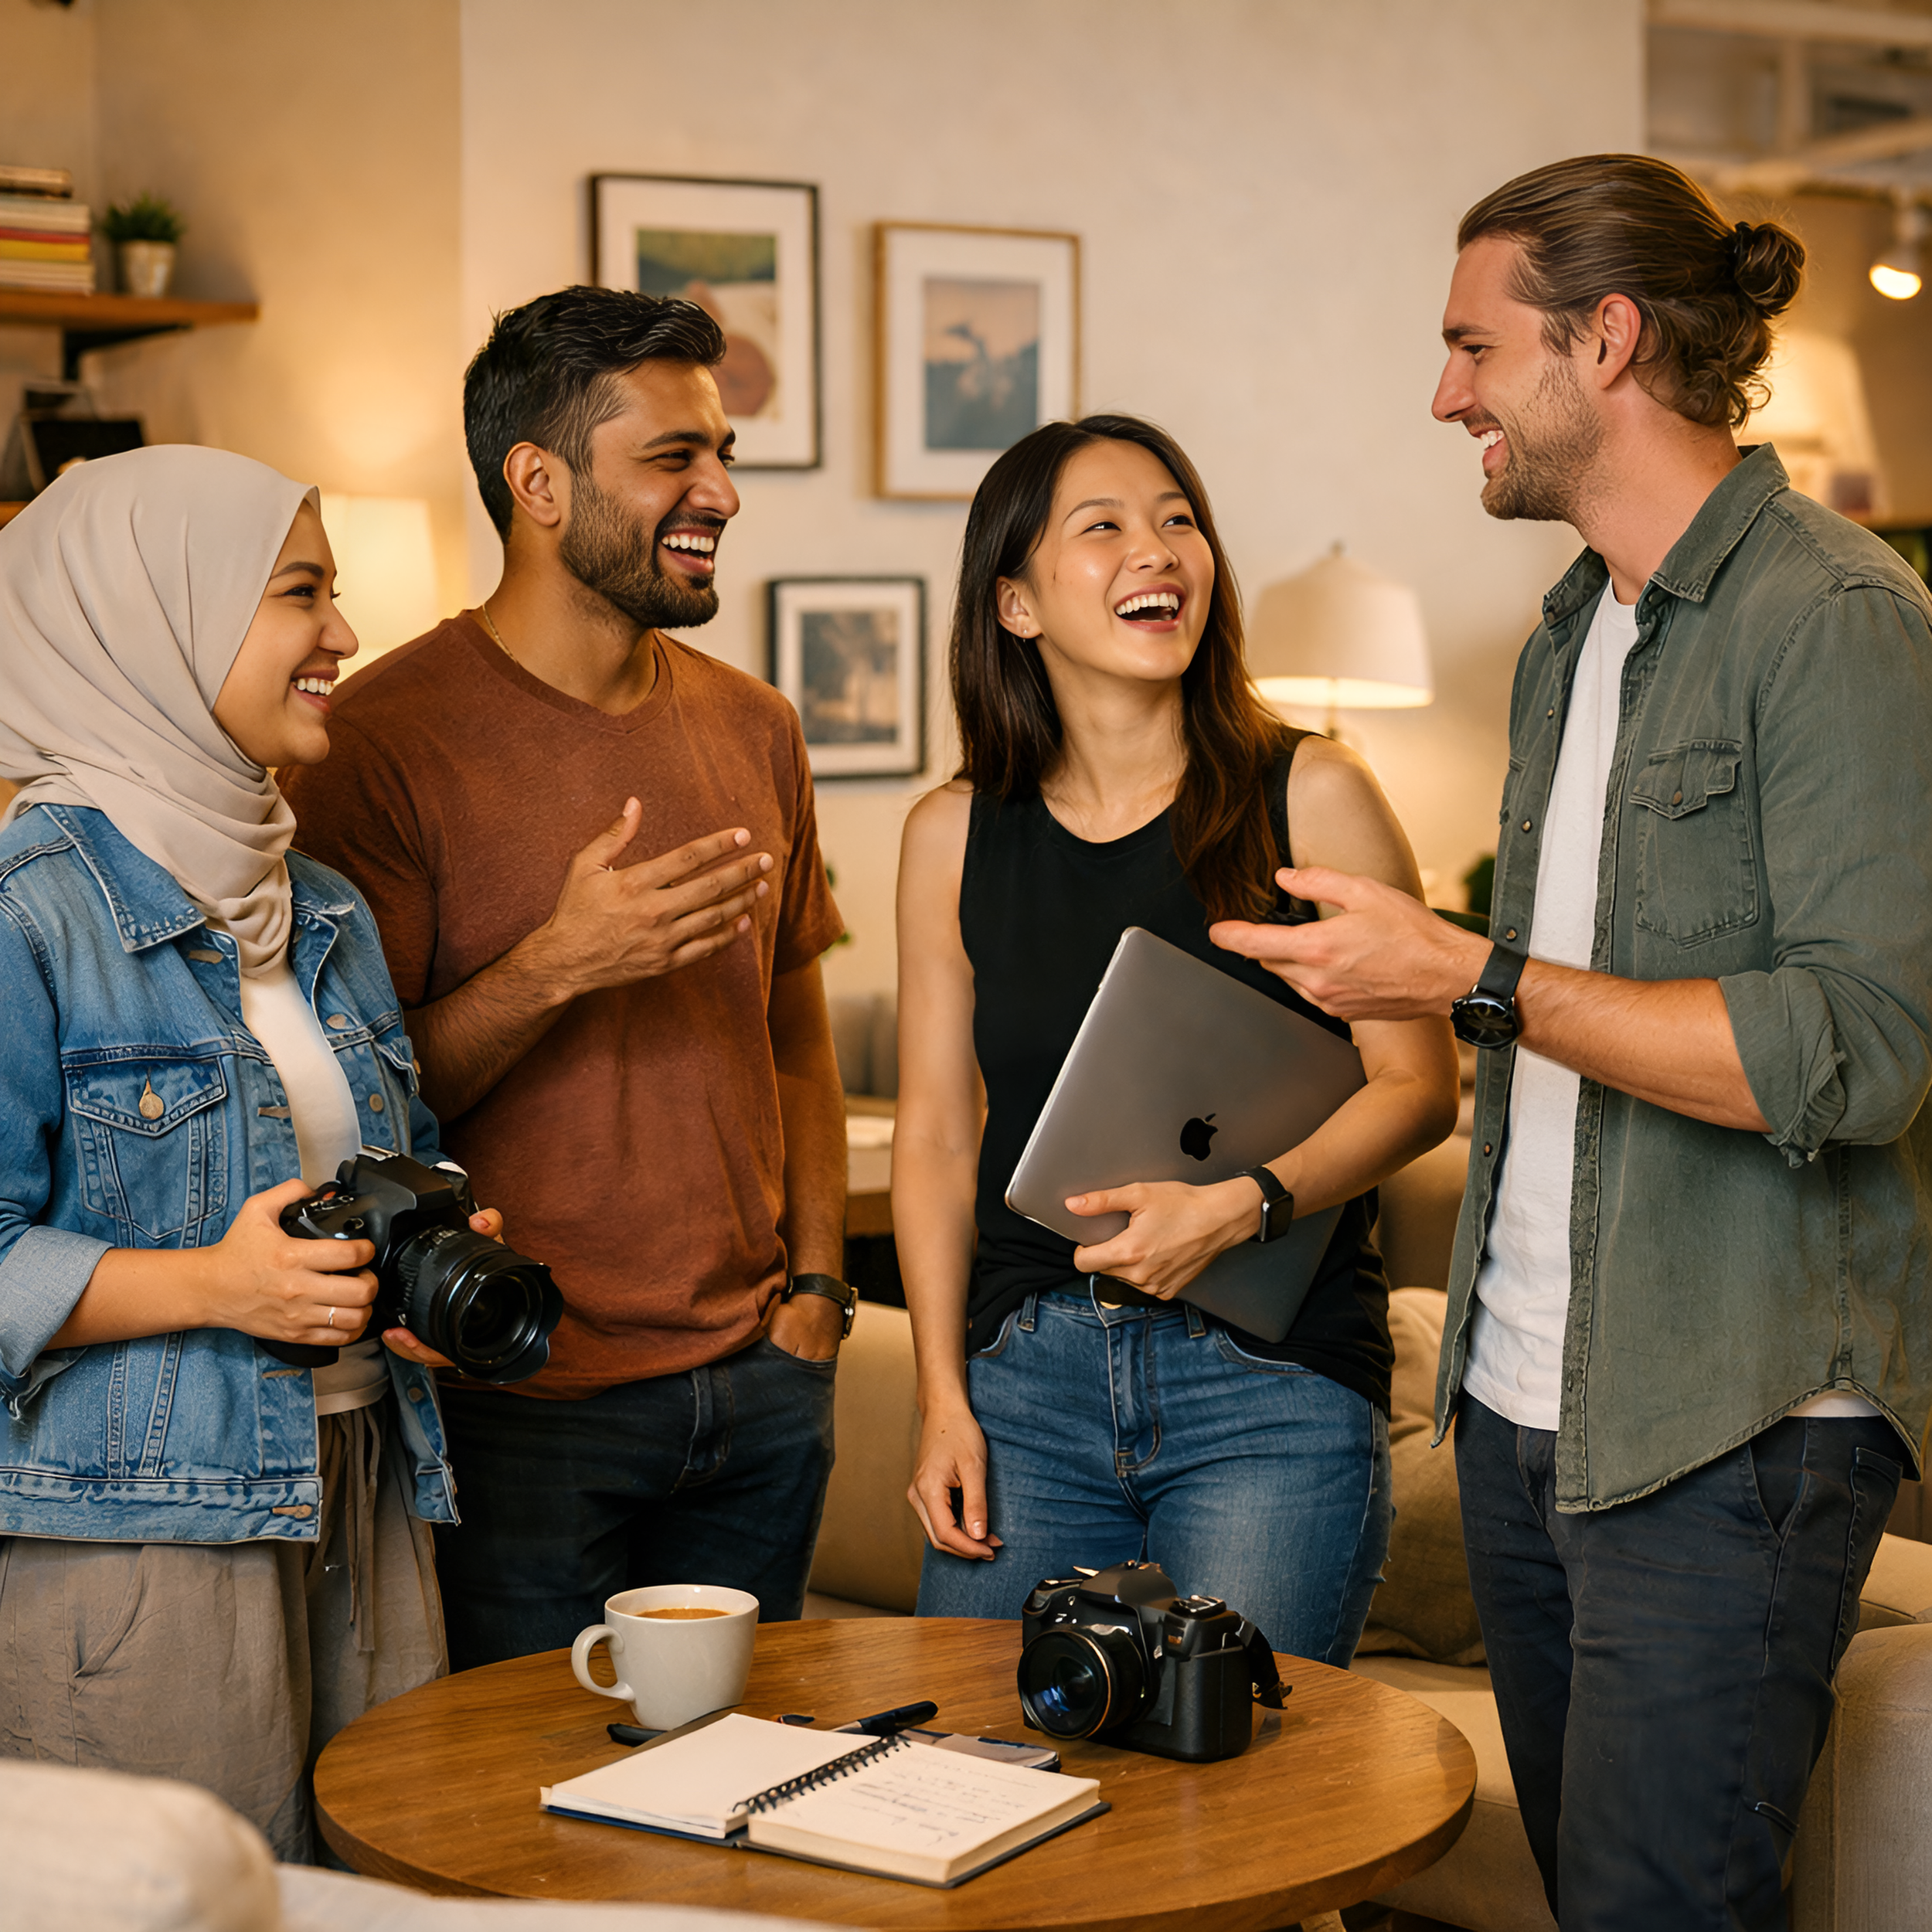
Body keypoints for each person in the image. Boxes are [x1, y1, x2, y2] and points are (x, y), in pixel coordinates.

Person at [1215, 155, 1932, 1931]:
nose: (1442, 391)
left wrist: (1466, 972)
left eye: (1471, 345)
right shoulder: (1566, 632)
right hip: (1527, 1408)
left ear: (1603, 338)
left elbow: (1858, 1048)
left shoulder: (1831, 620)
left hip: (1728, 1421)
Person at [284, 287, 850, 1668]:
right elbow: (358, 1112)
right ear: (537, 481)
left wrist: (821, 1292)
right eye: (673, 457)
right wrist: (558, 967)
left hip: (761, 1388)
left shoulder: (756, 724)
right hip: (522, 1401)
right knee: (530, 1841)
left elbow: (796, 1037)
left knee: (733, 1818)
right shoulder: (376, 744)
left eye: (722, 453)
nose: (719, 489)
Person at [895, 413, 1460, 1660]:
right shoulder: (950, 832)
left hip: (1269, 1381)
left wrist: (1245, 1204)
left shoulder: (1314, 793)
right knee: (984, 1772)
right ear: (1017, 605)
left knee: (1242, 1795)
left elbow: (1420, 1085)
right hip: (1028, 1379)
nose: (1159, 550)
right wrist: (944, 1396)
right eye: (1102, 528)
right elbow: (938, 1136)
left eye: (1178, 519)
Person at [0, 445, 497, 1860]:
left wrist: (424, 1273)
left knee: (389, 1888)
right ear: (154, 619)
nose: (344, 633)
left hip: (368, 1486)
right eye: (301, 594)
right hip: (144, 1545)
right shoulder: (29, 913)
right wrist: (221, 1290)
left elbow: (347, 1184)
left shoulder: (316, 904)